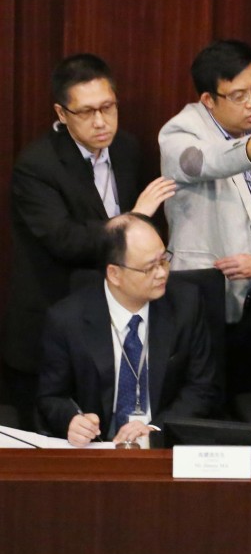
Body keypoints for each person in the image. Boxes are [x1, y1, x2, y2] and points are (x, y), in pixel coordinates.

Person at [4, 53, 176, 432]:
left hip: (116, 318)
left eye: (107, 107)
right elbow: (63, 239)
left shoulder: (127, 148)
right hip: (57, 326)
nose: (101, 122)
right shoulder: (37, 165)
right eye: (85, 112)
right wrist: (133, 219)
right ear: (62, 114)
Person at [159, 39, 251, 401]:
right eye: (238, 95)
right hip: (205, 296)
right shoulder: (179, 133)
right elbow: (204, 162)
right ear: (208, 100)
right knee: (207, 402)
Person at [36, 213, 218, 445]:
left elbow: (201, 388)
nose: (162, 273)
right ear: (114, 274)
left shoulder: (186, 304)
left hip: (163, 446)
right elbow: (51, 397)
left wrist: (155, 430)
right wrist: (72, 420)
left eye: (163, 260)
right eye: (149, 267)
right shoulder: (66, 319)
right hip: (98, 446)